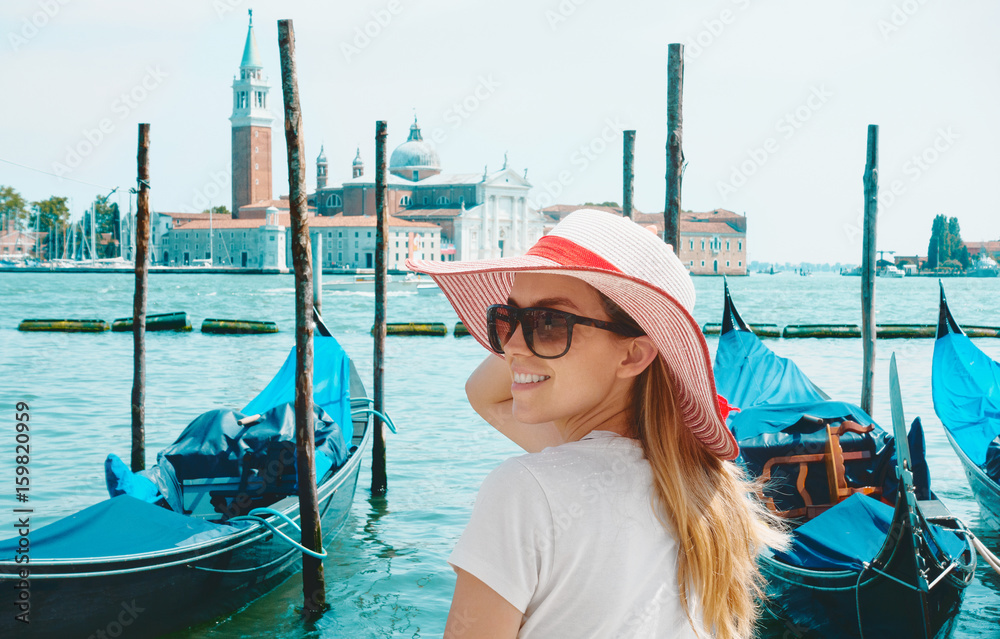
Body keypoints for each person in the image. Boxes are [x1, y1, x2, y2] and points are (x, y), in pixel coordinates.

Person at [406, 209, 786, 639]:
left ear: (632, 356)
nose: (509, 346)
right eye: (506, 319)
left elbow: (483, 395)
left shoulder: (525, 491)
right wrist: (534, 334)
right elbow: (487, 395)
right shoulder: (706, 493)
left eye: (549, 322)